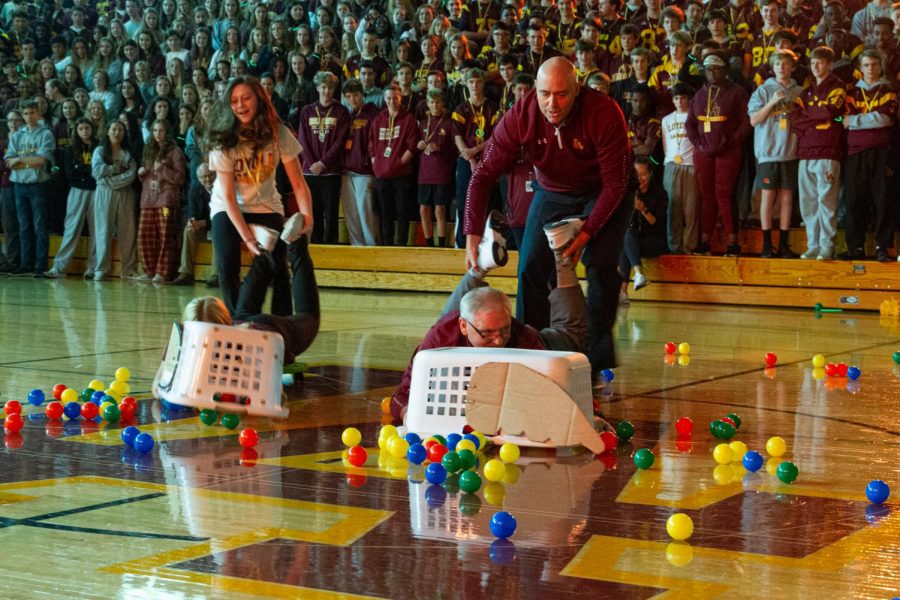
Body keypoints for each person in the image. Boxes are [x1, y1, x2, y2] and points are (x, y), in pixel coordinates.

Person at [464, 57, 632, 383]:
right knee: (529, 266)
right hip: (554, 191)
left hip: (605, 189)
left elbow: (616, 184)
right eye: (544, 94)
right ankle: (530, 352)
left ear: (577, 89)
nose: (552, 104)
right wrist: (471, 232)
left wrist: (585, 236)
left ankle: (595, 359)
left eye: (561, 95)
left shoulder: (604, 112)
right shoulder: (520, 115)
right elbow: (483, 175)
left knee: (599, 265)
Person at [390, 217, 590, 420]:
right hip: (453, 331)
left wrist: (592, 415)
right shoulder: (437, 343)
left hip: (543, 342)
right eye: (487, 333)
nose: (497, 340)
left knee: (573, 335)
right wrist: (409, 415)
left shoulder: (522, 340)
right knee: (447, 323)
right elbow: (402, 395)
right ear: (464, 326)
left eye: (504, 330)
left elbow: (563, 386)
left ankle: (562, 255)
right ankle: (481, 263)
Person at [206, 76, 313, 319]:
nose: (240, 105)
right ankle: (238, 322)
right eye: (234, 101)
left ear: (260, 99)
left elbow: (299, 184)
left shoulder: (279, 134)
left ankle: (283, 325)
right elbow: (230, 198)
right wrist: (247, 238)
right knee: (227, 264)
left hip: (266, 204)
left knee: (278, 268)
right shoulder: (223, 140)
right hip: (228, 206)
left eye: (246, 98)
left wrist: (308, 219)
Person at [685, 52, 751, 257]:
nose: (712, 73)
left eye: (716, 69)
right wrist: (699, 145)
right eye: (708, 69)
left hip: (728, 153)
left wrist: (730, 143)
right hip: (703, 153)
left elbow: (746, 122)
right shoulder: (699, 94)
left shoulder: (737, 93)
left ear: (725, 70)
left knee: (724, 195)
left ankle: (733, 242)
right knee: (707, 197)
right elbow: (690, 124)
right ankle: (705, 241)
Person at [840, 49, 897, 261]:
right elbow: (842, 121)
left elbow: (885, 119)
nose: (870, 69)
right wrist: (868, 119)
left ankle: (883, 247)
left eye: (874, 64)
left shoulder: (888, 90)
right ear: (860, 68)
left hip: (881, 151)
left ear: (880, 67)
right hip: (855, 152)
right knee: (855, 200)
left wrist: (856, 121)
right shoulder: (851, 92)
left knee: (882, 200)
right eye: (866, 65)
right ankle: (855, 247)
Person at [792, 46, 846, 261]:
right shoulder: (806, 91)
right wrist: (818, 118)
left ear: (830, 64)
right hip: (805, 153)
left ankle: (826, 246)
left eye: (820, 62)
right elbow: (795, 118)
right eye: (813, 62)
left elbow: (831, 112)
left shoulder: (837, 86)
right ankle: (812, 244)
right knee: (808, 202)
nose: (815, 66)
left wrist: (810, 116)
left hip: (827, 152)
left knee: (827, 202)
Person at [748, 49, 802, 258]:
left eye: (786, 63)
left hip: (790, 151)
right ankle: (767, 245)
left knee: (787, 198)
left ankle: (785, 245)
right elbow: (753, 120)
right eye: (778, 63)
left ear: (792, 67)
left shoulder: (798, 92)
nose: (782, 67)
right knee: (768, 198)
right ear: (773, 67)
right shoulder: (763, 90)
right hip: (768, 153)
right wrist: (771, 102)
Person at [5, 100, 55, 277]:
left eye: (32, 113)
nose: (28, 116)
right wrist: (27, 163)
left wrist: (21, 162)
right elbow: (9, 161)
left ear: (38, 113)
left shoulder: (46, 134)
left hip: (38, 185)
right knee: (24, 226)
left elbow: (42, 160)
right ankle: (26, 264)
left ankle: (40, 265)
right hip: (19, 185)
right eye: (25, 114)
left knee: (40, 227)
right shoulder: (17, 135)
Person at [297, 71, 348, 244]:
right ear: (318, 88)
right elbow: (302, 140)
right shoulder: (307, 111)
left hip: (331, 172)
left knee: (332, 214)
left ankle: (332, 250)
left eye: (330, 88)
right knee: (314, 214)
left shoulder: (341, 111)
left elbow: (340, 142)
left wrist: (323, 163)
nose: (326, 91)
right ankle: (317, 247)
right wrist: (313, 164)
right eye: (323, 87)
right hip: (310, 172)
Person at [45, 118, 97, 278]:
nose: (84, 131)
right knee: (71, 228)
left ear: (92, 129)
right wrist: (85, 172)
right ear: (77, 131)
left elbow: (98, 170)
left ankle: (93, 268)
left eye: (87, 128)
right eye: (81, 128)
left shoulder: (100, 147)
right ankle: (59, 268)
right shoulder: (70, 149)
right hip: (77, 190)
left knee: (97, 230)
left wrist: (83, 171)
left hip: (97, 190)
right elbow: (70, 173)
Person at [137, 119, 187, 282]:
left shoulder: (175, 152)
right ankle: (149, 270)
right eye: (155, 131)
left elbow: (180, 179)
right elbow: (147, 176)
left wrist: (164, 169)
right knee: (145, 235)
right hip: (148, 198)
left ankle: (163, 272)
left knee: (166, 235)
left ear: (167, 132)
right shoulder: (148, 150)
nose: (158, 134)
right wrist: (141, 173)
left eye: (161, 131)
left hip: (166, 198)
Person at [369, 83, 418, 246]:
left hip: (401, 175)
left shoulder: (409, 119)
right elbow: (371, 144)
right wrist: (376, 162)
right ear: (384, 99)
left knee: (402, 213)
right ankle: (387, 246)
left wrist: (397, 164)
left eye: (395, 98)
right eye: (389, 98)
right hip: (382, 175)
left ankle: (401, 246)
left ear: (400, 98)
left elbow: (412, 146)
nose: (392, 101)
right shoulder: (378, 119)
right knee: (384, 214)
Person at [92, 120, 139, 281]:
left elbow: (131, 175)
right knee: (102, 231)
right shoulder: (100, 151)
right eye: (114, 129)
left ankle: (128, 270)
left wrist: (110, 178)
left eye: (120, 130)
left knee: (128, 231)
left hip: (125, 193)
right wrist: (115, 170)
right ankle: (101, 269)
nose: (117, 133)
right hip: (104, 194)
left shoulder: (128, 152)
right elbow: (97, 171)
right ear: (107, 131)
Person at [618, 157, 667, 304]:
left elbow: (656, 223)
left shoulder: (659, 193)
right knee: (627, 237)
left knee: (627, 243)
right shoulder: (628, 193)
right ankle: (638, 276)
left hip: (653, 240)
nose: (640, 178)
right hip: (633, 240)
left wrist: (643, 209)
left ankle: (624, 290)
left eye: (643, 174)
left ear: (650, 174)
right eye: (636, 175)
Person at [340, 78, 381, 246]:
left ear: (362, 95)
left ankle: (372, 249)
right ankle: (357, 249)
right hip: (346, 170)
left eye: (356, 95)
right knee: (351, 214)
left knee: (367, 213)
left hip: (364, 171)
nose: (353, 100)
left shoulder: (373, 113)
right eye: (348, 96)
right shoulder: (346, 115)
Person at [660, 82, 698, 254]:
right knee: (672, 208)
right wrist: (670, 160)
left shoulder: (694, 117)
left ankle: (690, 246)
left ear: (688, 99)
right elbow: (665, 144)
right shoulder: (666, 120)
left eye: (683, 98)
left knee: (691, 209)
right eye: (676, 98)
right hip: (672, 165)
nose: (680, 101)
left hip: (690, 165)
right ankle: (673, 246)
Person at [417, 88, 456, 247]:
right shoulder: (423, 123)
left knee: (439, 209)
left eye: (438, 102)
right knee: (424, 209)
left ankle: (441, 244)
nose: (435, 105)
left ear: (442, 103)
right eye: (432, 102)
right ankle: (428, 244)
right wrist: (419, 145)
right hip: (424, 172)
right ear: (427, 103)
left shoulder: (449, 122)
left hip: (441, 172)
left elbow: (455, 148)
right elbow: (417, 146)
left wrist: (440, 147)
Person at [173, 164, 216, 286]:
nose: (208, 179)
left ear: (216, 175)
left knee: (218, 231)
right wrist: (192, 221)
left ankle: (216, 275)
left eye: (211, 175)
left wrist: (204, 223)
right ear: (198, 178)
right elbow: (193, 212)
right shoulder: (195, 189)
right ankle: (186, 272)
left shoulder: (221, 188)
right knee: (188, 230)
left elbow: (223, 217)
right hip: (203, 226)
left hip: (217, 224)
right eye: (204, 177)